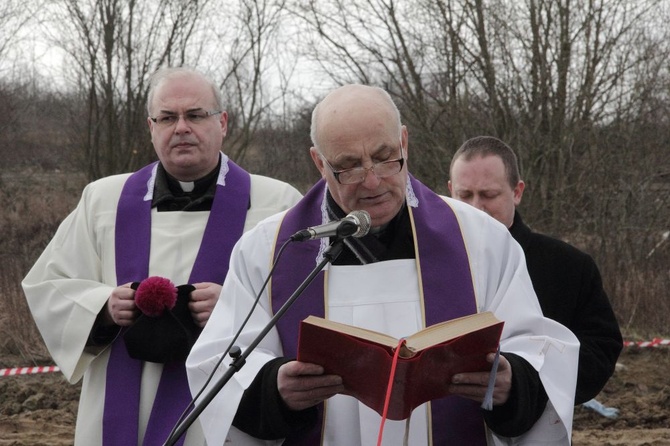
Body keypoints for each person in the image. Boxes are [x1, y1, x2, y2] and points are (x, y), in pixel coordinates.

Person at [186, 84, 580, 445]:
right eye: (349, 165)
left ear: (404, 141)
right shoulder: (271, 251)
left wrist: (513, 385)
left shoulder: (482, 241)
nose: (372, 181)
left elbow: (539, 352)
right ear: (319, 163)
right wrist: (274, 391)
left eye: (384, 157)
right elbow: (220, 366)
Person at [22, 67, 303, 446]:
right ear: (151, 128)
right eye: (167, 117)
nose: (181, 127)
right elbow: (48, 285)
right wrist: (103, 306)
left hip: (222, 403)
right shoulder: (102, 200)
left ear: (222, 122)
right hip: (119, 405)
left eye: (196, 115)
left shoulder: (277, 204)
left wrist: (237, 308)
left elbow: (306, 301)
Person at [448, 136, 623, 406]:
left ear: (517, 192)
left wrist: (524, 384)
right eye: (464, 195)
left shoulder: (569, 267)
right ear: (450, 192)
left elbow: (600, 350)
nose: (475, 208)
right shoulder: (425, 264)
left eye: (488, 195)